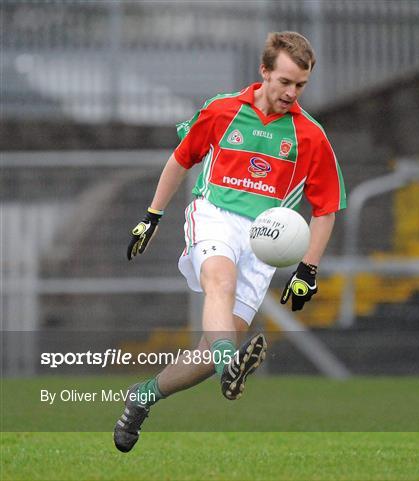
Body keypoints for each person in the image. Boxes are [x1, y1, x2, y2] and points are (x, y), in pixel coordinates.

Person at [114, 31, 346, 453]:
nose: (292, 93)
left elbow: (325, 208)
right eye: (285, 82)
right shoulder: (222, 110)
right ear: (264, 72)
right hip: (214, 215)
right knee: (218, 284)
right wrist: (152, 216)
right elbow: (182, 157)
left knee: (210, 349)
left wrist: (307, 270)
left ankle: (142, 397)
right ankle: (231, 367)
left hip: (266, 240)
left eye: (301, 85)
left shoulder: (310, 136)